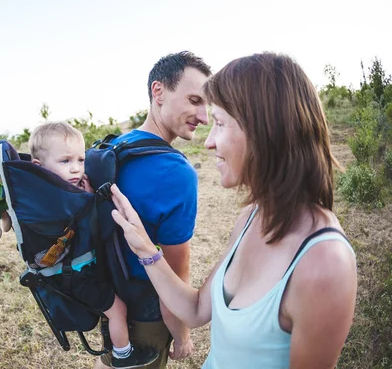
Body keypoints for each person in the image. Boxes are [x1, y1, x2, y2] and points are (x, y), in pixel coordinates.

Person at [109, 52, 358, 368]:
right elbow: (198, 309)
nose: (208, 142)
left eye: (220, 123)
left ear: (264, 131)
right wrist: (145, 248)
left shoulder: (325, 264)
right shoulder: (250, 219)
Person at [95, 51, 213, 369]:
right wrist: (183, 335)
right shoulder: (176, 172)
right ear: (158, 92)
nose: (204, 117)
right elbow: (173, 277)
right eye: (193, 100)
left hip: (110, 303)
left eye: (207, 106)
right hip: (146, 312)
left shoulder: (112, 149)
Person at [28, 121, 159, 369]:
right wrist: (90, 202)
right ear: (39, 166)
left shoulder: (49, 195)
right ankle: (123, 354)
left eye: (80, 159)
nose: (76, 169)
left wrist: (85, 197)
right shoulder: (56, 202)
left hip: (72, 270)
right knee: (117, 309)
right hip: (73, 276)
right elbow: (84, 230)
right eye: (65, 161)